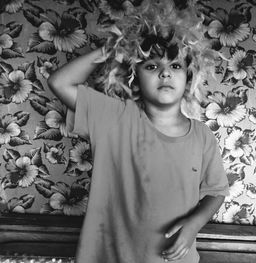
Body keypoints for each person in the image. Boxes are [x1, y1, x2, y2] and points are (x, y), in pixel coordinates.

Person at [47, 0, 229, 262]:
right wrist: (117, 47)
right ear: (133, 76)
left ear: (189, 77)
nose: (165, 73)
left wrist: (194, 225)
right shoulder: (115, 117)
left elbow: (216, 191)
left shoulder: (202, 136)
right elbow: (59, 82)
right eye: (152, 66)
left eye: (175, 66)